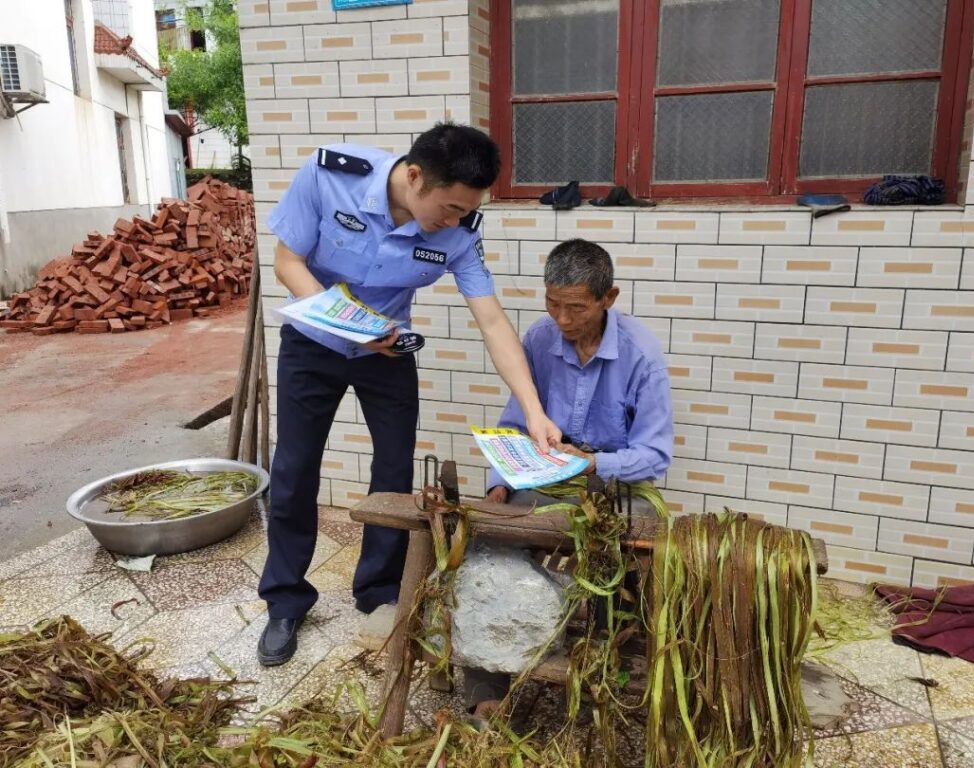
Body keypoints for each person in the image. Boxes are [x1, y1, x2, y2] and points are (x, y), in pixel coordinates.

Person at [257, 123, 561, 666]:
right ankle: (285, 599)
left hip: (389, 353)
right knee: (294, 469)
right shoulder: (331, 176)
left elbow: (491, 322)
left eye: (466, 211)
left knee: (394, 472)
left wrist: (535, 412)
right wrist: (349, 324)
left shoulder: (462, 231)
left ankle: (377, 589)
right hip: (313, 342)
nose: (453, 222)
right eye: (447, 209)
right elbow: (287, 263)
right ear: (414, 176)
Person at [463, 238, 674, 716]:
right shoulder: (539, 340)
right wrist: (500, 481)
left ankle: (605, 670)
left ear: (609, 298)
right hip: (545, 481)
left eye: (576, 307)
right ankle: (487, 688)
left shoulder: (641, 354)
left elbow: (655, 454)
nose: (562, 319)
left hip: (618, 485)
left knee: (613, 558)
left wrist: (594, 463)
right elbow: (516, 424)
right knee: (489, 547)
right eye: (553, 304)